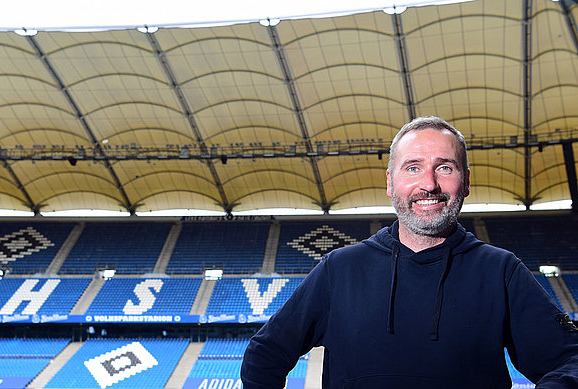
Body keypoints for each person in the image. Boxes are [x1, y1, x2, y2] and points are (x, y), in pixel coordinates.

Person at [240, 116, 578, 388]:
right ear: (390, 181)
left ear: (467, 180)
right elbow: (265, 354)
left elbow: (570, 362)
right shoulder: (340, 269)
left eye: (444, 167)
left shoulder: (501, 271)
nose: (428, 184)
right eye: (413, 167)